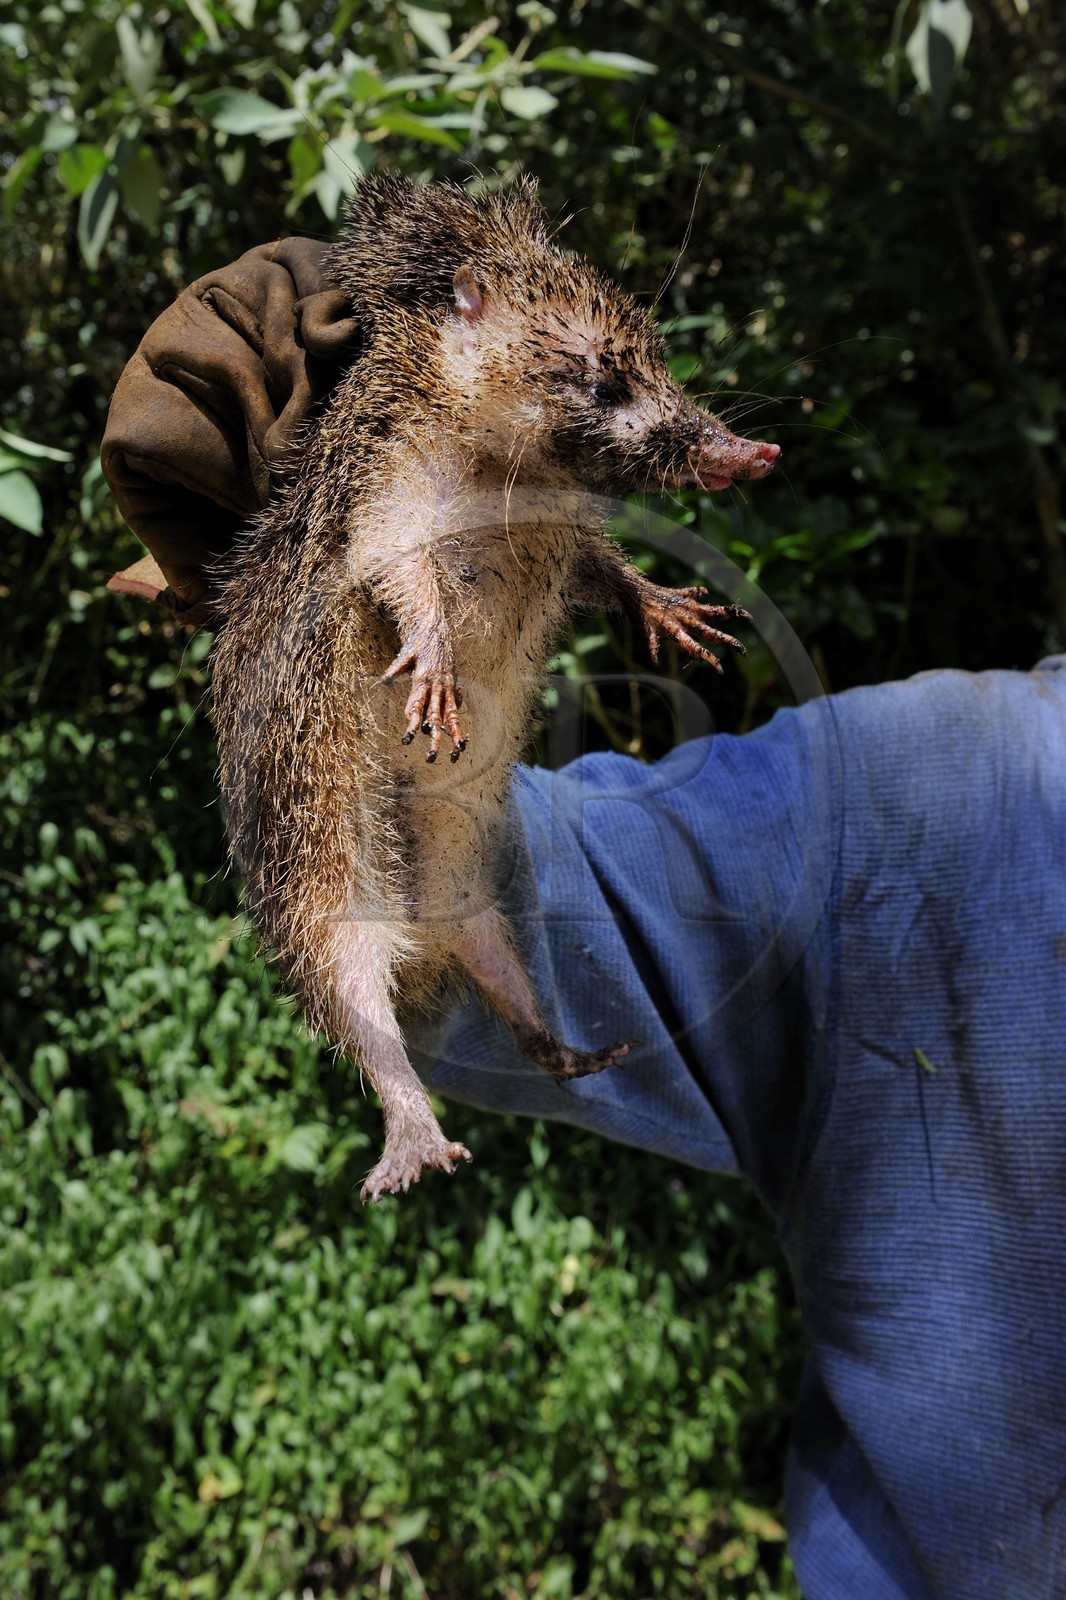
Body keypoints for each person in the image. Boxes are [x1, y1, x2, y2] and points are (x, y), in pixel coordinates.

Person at [101, 238, 1066, 1600]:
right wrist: (292, 632)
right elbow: (560, 886)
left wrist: (633, 574)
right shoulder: (945, 787)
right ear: (464, 321)